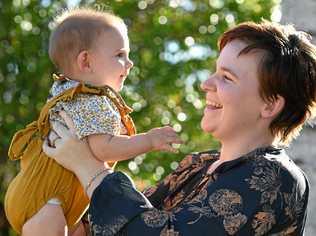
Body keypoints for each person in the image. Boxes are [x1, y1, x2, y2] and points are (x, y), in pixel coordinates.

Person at [44, 20, 315, 235]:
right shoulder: (198, 165)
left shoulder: (276, 179)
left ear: (270, 105)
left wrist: (87, 167)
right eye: (215, 71)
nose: (206, 84)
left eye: (227, 77)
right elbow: (123, 221)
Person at [4, 7, 182, 236]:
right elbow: (103, 148)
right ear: (86, 62)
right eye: (120, 55)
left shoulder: (66, 91)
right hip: (44, 202)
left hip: (50, 197)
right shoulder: (91, 102)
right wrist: (148, 140)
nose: (130, 64)